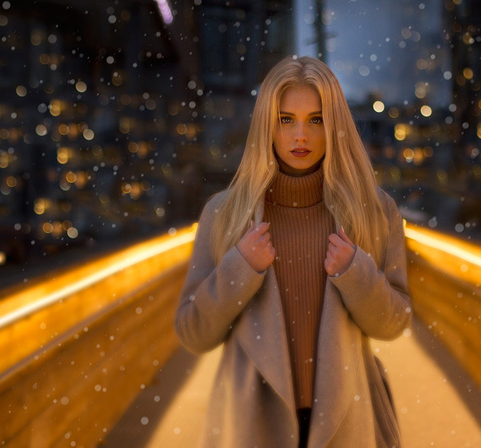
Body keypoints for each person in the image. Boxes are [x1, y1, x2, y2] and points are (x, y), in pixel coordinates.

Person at [175, 55, 412, 448]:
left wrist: (356, 274)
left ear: (334, 124)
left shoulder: (373, 210)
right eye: (286, 119)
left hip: (348, 419)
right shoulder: (223, 214)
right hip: (253, 421)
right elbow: (192, 332)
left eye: (316, 119)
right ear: (267, 124)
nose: (300, 135)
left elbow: (394, 322)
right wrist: (238, 270)